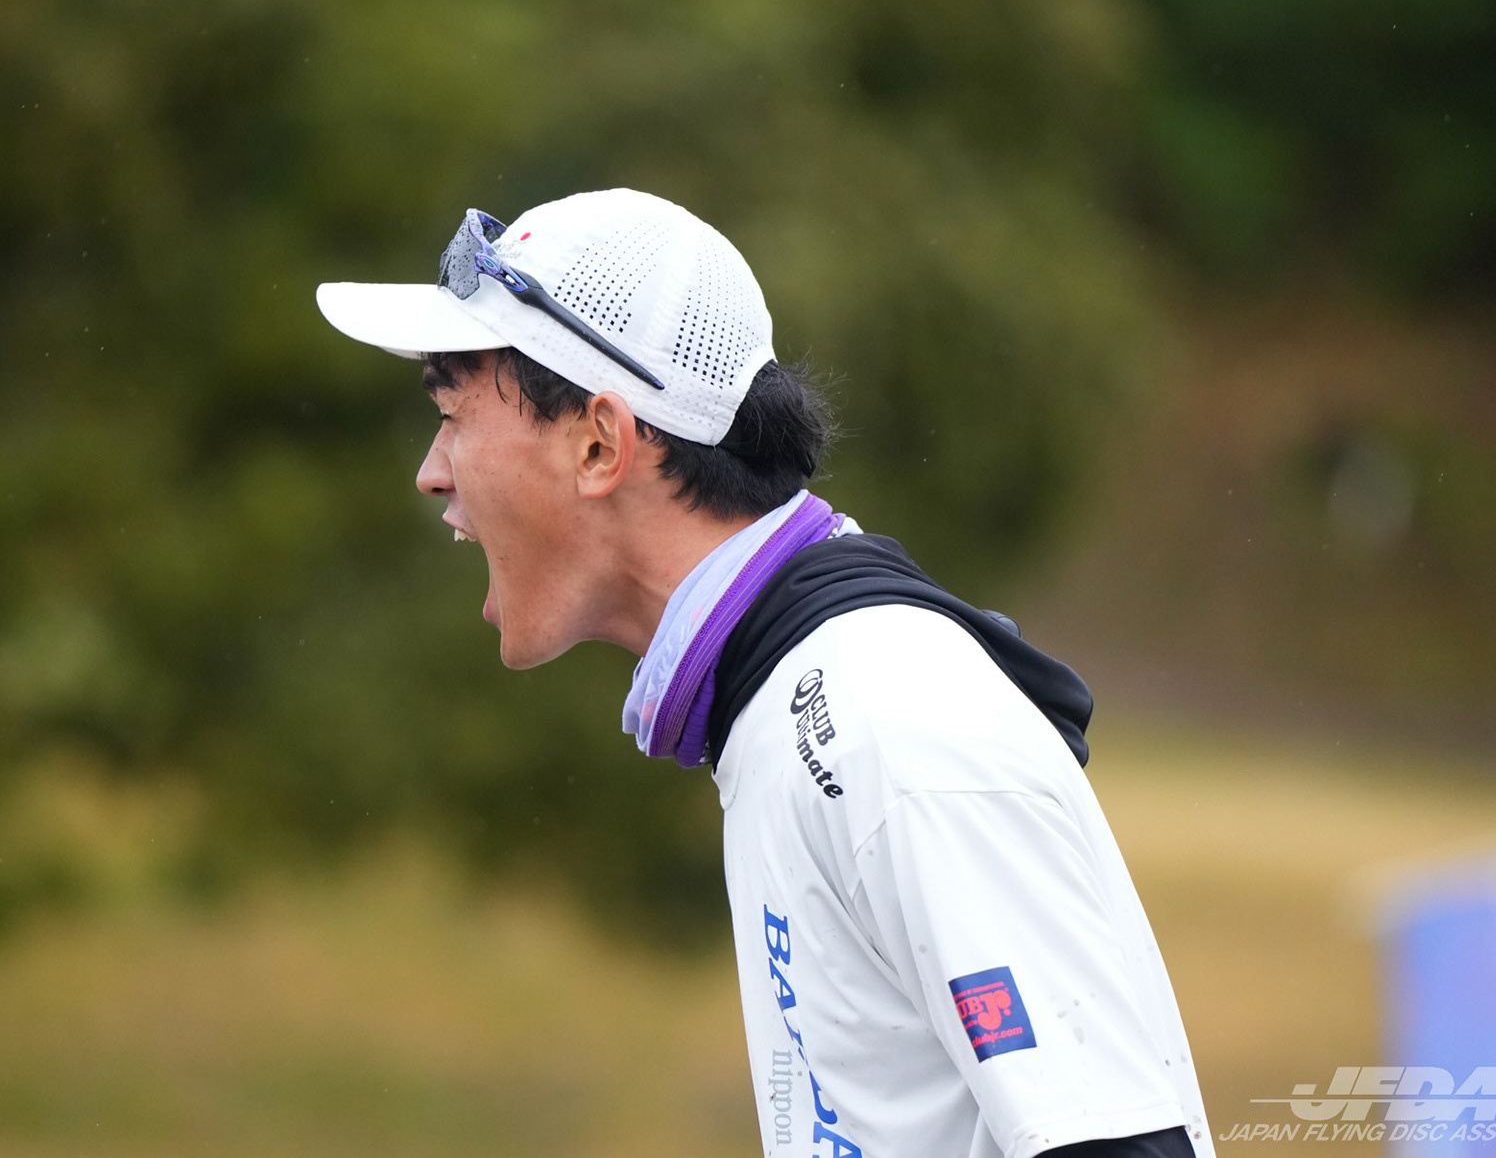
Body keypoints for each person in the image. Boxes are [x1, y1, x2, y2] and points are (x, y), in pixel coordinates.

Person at [317, 188, 1213, 1158]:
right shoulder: (790, 698)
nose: (432, 471)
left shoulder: (885, 717)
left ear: (599, 443)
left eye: (452, 414)